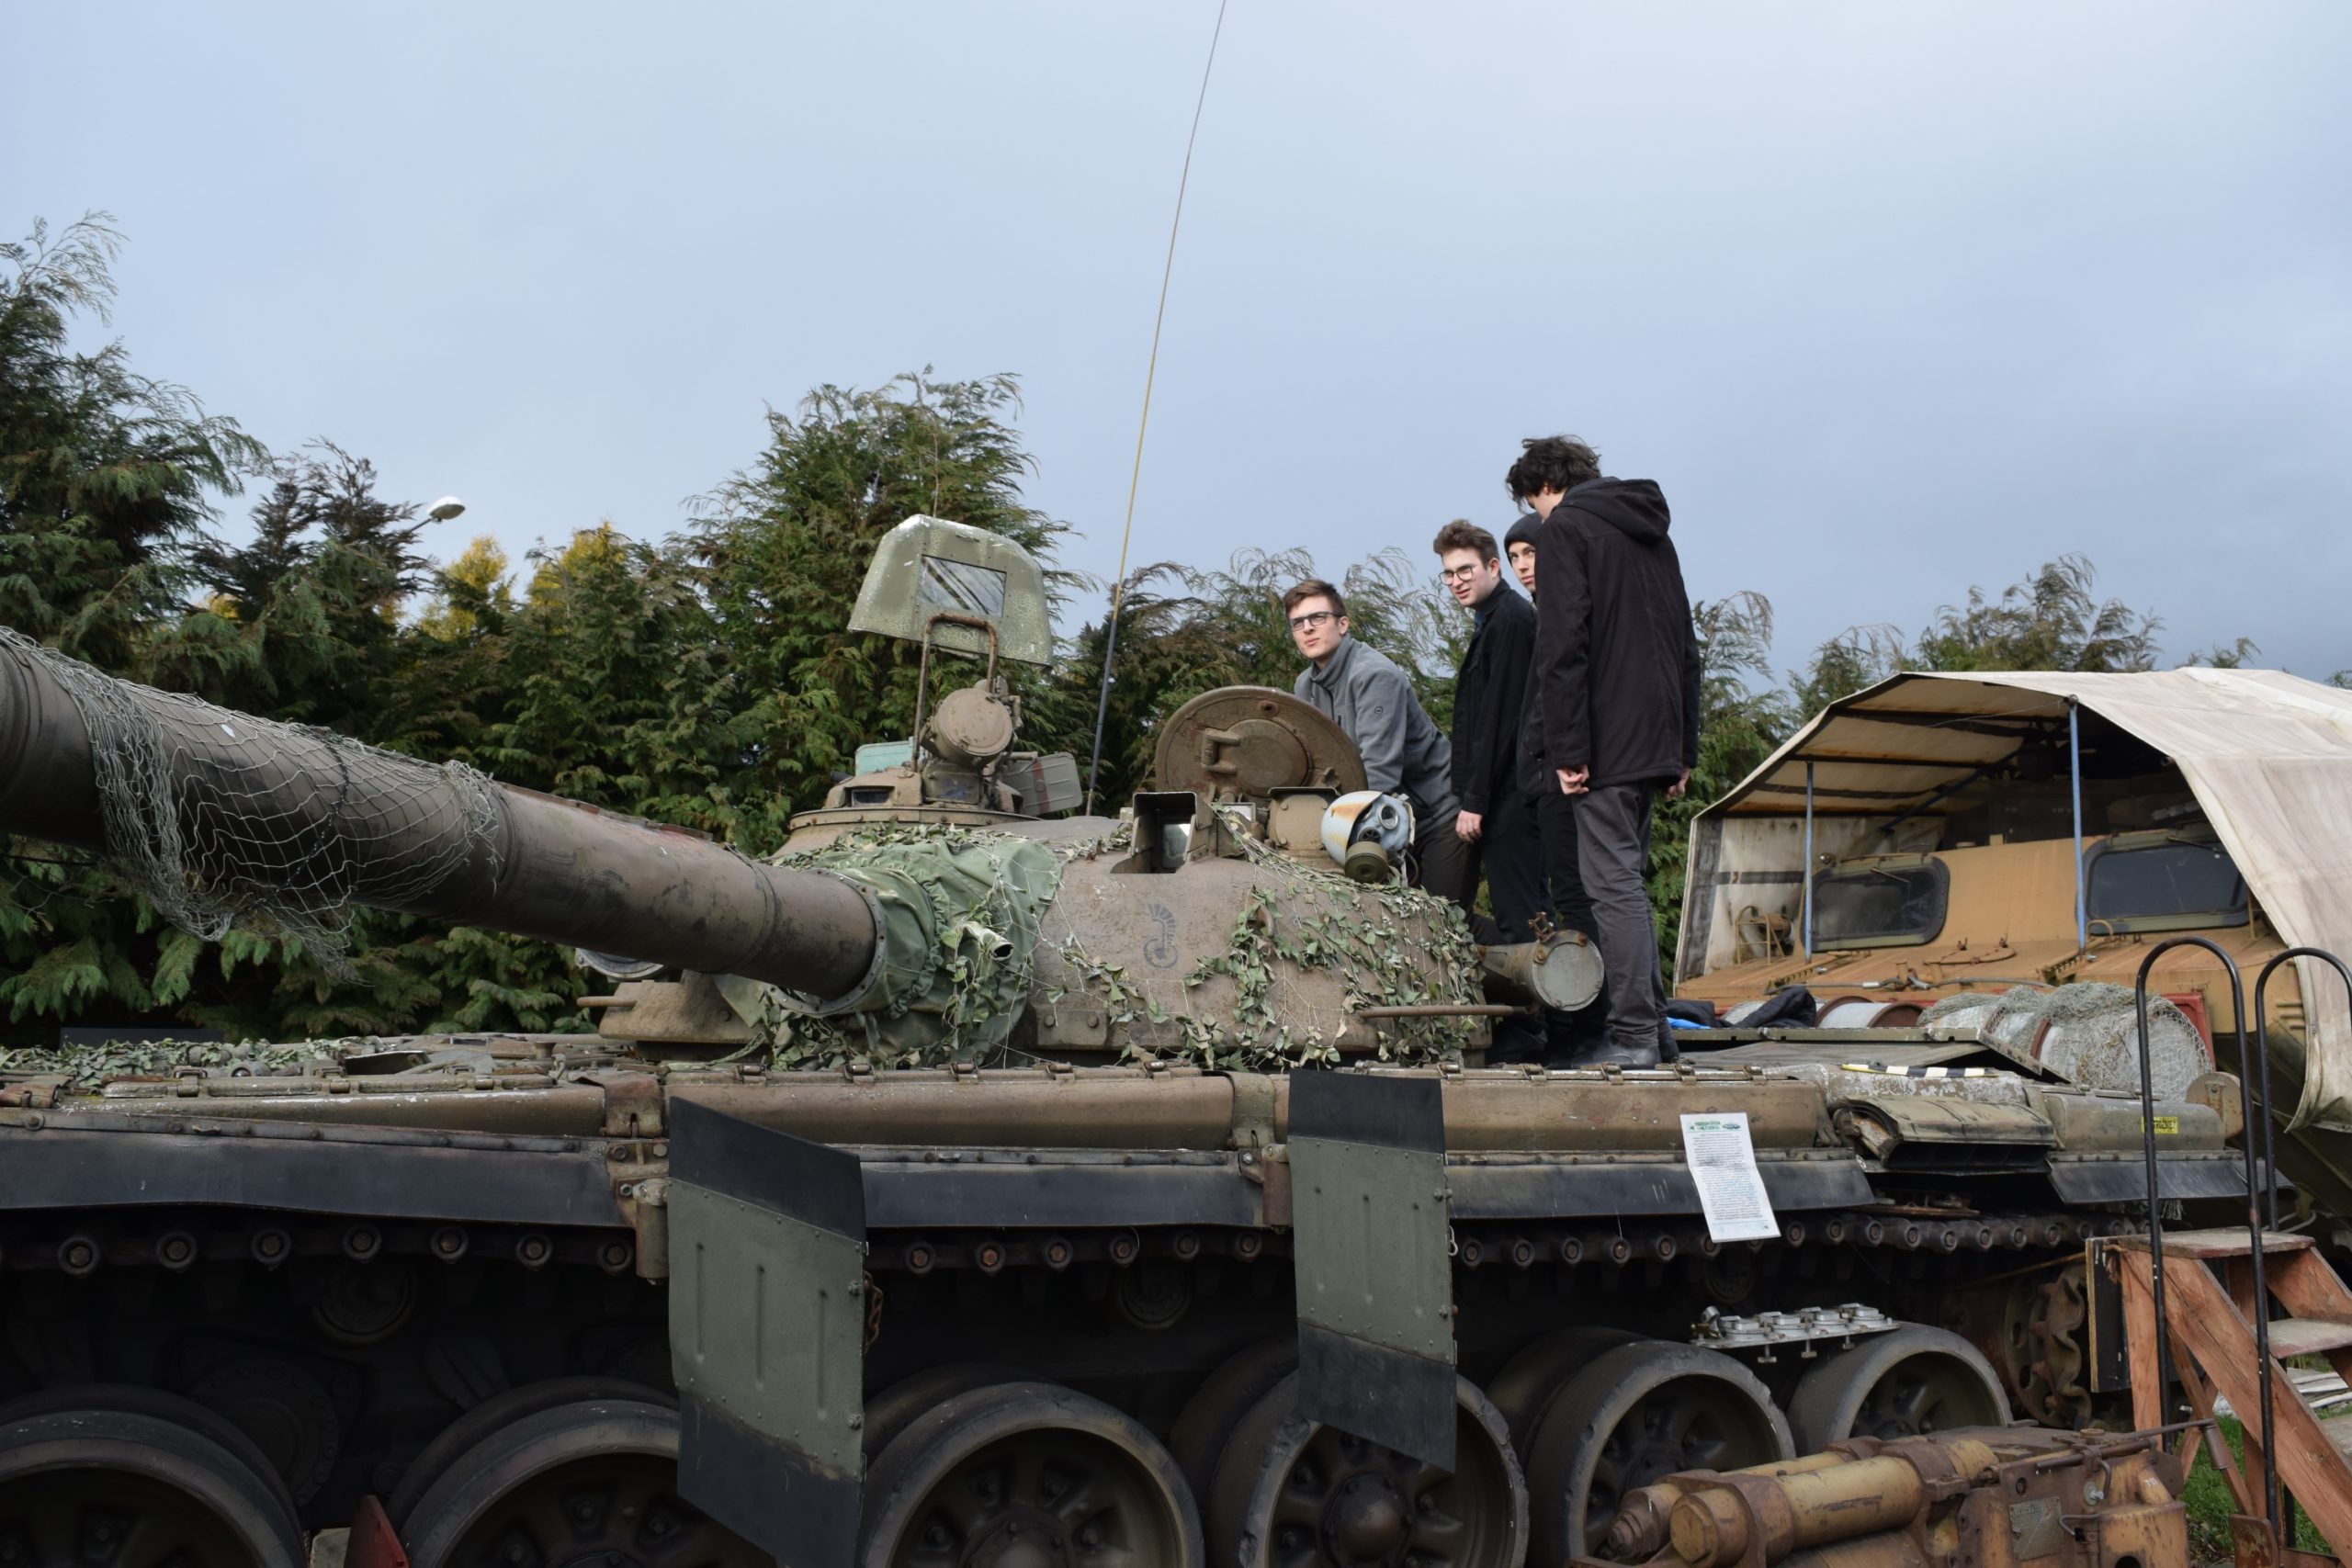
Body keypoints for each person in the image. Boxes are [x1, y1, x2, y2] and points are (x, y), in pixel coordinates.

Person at [1510, 435, 1702, 1066]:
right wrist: (1683, 747)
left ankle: (1634, 1034)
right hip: (1654, 737)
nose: (1538, 519)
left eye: (1533, 506)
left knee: (1610, 887)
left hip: (1605, 742)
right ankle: (1658, 1032)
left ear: (1543, 487)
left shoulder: (1567, 527)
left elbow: (1564, 645)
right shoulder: (1652, 532)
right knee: (1628, 884)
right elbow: (1685, 642)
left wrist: (1567, 749)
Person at [1283, 578, 1475, 913]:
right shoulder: (1305, 685)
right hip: (1388, 820)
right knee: (1391, 923)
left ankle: (1533, 947)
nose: (1307, 628)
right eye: (1298, 623)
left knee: (1444, 921)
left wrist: (1335, 831)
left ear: (1343, 624)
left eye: (1318, 618)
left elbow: (1379, 773)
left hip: (1438, 815)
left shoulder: (1374, 675)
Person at [1430, 520, 1543, 941]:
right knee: (1521, 911)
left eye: (1465, 570)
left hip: (1511, 794)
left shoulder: (1509, 620)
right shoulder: (1492, 619)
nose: (1456, 581)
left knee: (1523, 915)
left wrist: (1475, 802)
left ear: (1493, 567)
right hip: (1501, 793)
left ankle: (1550, 988)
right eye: (1448, 573)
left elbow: (1501, 720)